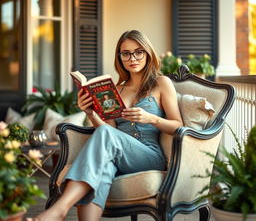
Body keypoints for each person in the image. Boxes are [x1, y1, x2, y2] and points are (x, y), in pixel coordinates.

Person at [27, 30, 183, 221]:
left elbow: (178, 126)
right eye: (125, 53)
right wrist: (90, 112)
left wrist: (152, 118)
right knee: (103, 169)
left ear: (148, 53)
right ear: (119, 57)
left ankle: (60, 209)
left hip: (149, 156)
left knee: (105, 135)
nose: (132, 58)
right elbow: (110, 130)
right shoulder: (115, 90)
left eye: (138, 51)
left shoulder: (161, 83)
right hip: (118, 155)